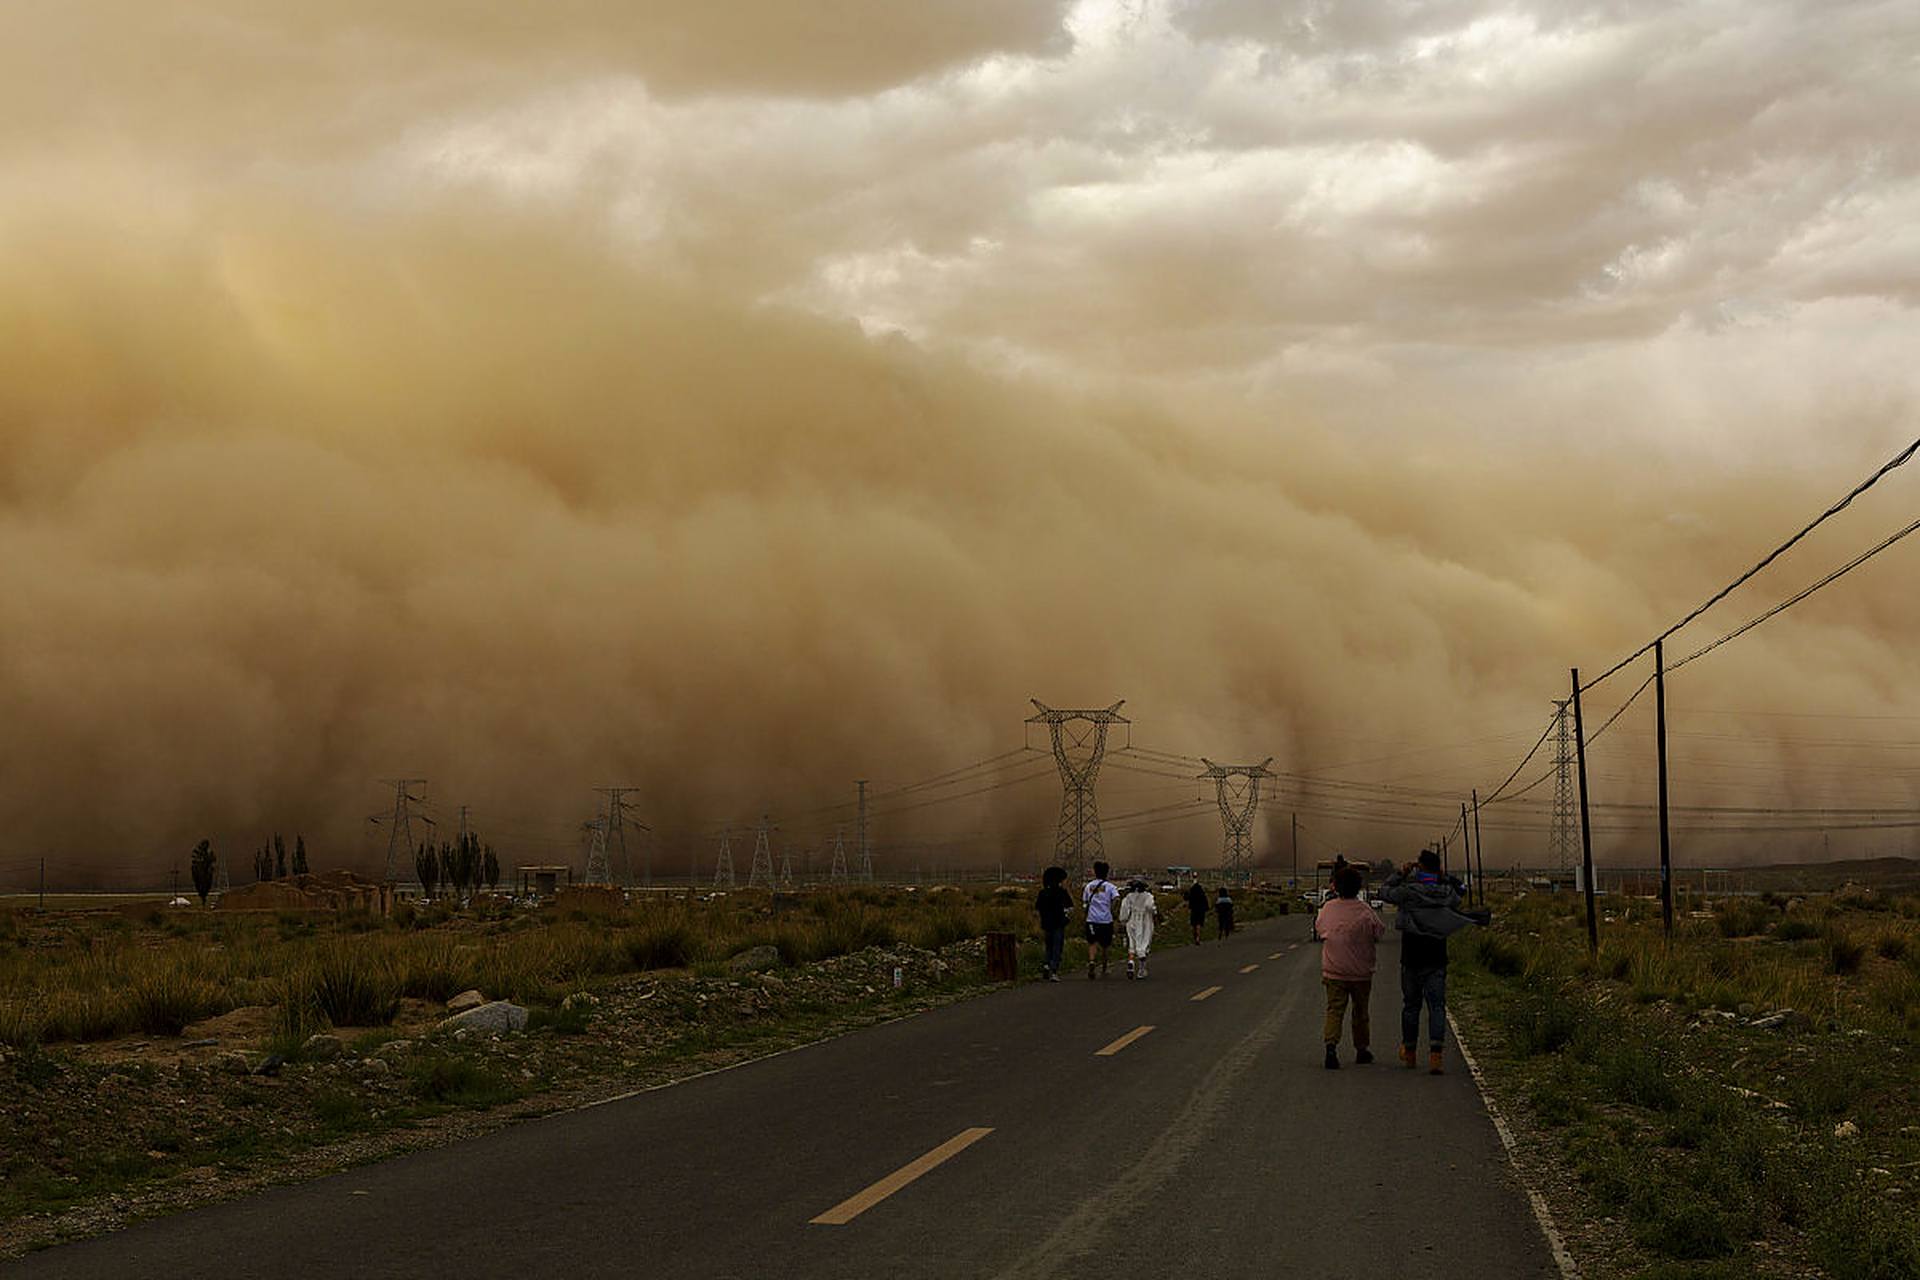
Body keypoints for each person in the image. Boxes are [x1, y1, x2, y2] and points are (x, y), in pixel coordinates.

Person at [1379, 849, 1480, 1074]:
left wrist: (1401, 872)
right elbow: (1462, 890)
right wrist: (1444, 877)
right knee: (1436, 1006)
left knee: (1411, 1006)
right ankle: (1436, 1056)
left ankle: (1410, 1053)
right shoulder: (1446, 892)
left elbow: (1384, 892)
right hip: (1436, 958)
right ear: (1437, 869)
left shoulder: (1408, 891)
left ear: (1420, 867)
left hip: (1412, 957)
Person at [1315, 864, 1385, 1068]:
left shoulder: (1327, 909)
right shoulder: (1365, 911)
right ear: (1358, 887)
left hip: (1334, 971)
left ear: (1335, 886)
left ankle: (1331, 1048)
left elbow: (1320, 929)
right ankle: (1361, 1050)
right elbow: (1379, 932)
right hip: (1361, 973)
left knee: (1334, 1010)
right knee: (1361, 1012)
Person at [1083, 861, 1120, 979]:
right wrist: (1111, 909)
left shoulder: (1089, 886)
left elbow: (1084, 901)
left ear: (1095, 871)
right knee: (1105, 945)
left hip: (1091, 919)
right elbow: (1117, 898)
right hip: (1105, 920)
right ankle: (1104, 967)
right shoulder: (1110, 886)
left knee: (1092, 943)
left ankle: (1092, 961)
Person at [1034, 865, 1072, 982]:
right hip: (1058, 923)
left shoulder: (1043, 892)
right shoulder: (1061, 892)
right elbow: (1070, 906)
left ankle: (1046, 965)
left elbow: (1037, 908)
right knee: (1057, 947)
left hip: (1046, 923)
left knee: (1048, 946)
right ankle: (1054, 971)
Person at [1118, 877, 1160, 978]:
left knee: (1132, 943)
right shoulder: (1148, 896)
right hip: (1145, 921)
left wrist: (1123, 921)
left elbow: (1124, 911)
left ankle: (1131, 961)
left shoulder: (1128, 897)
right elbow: (1150, 906)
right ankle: (1141, 969)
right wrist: (1154, 911)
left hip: (1131, 921)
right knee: (1143, 944)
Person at [1185, 879, 1210, 943]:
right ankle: (1198, 937)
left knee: (1194, 924)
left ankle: (1195, 936)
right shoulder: (1202, 894)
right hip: (1201, 910)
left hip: (1194, 910)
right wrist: (1206, 908)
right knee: (1198, 924)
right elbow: (1205, 902)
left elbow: (1187, 899)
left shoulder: (1192, 894)